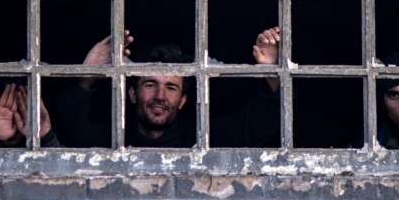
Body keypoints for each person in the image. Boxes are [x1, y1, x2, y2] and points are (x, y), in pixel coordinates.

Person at [55, 27, 281, 148]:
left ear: (183, 100)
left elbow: (256, 125)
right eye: (151, 84)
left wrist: (272, 72)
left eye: (171, 87)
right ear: (132, 94)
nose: (160, 96)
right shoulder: (111, 139)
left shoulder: (202, 138)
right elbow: (71, 129)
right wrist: (87, 75)